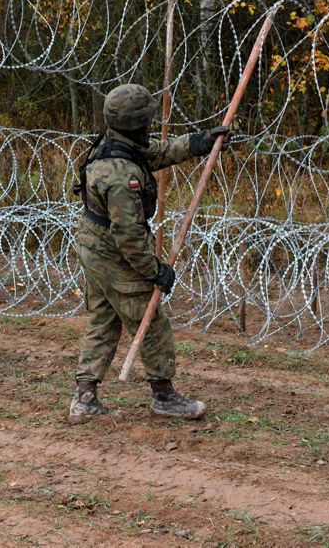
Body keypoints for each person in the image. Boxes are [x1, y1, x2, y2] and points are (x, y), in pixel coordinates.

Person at [68, 83, 229, 424]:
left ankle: (84, 399)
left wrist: (199, 143)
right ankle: (164, 396)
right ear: (137, 123)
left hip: (95, 249)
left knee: (103, 320)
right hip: (114, 255)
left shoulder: (115, 146)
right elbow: (128, 235)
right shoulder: (121, 176)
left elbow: (157, 152)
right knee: (151, 321)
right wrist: (153, 271)